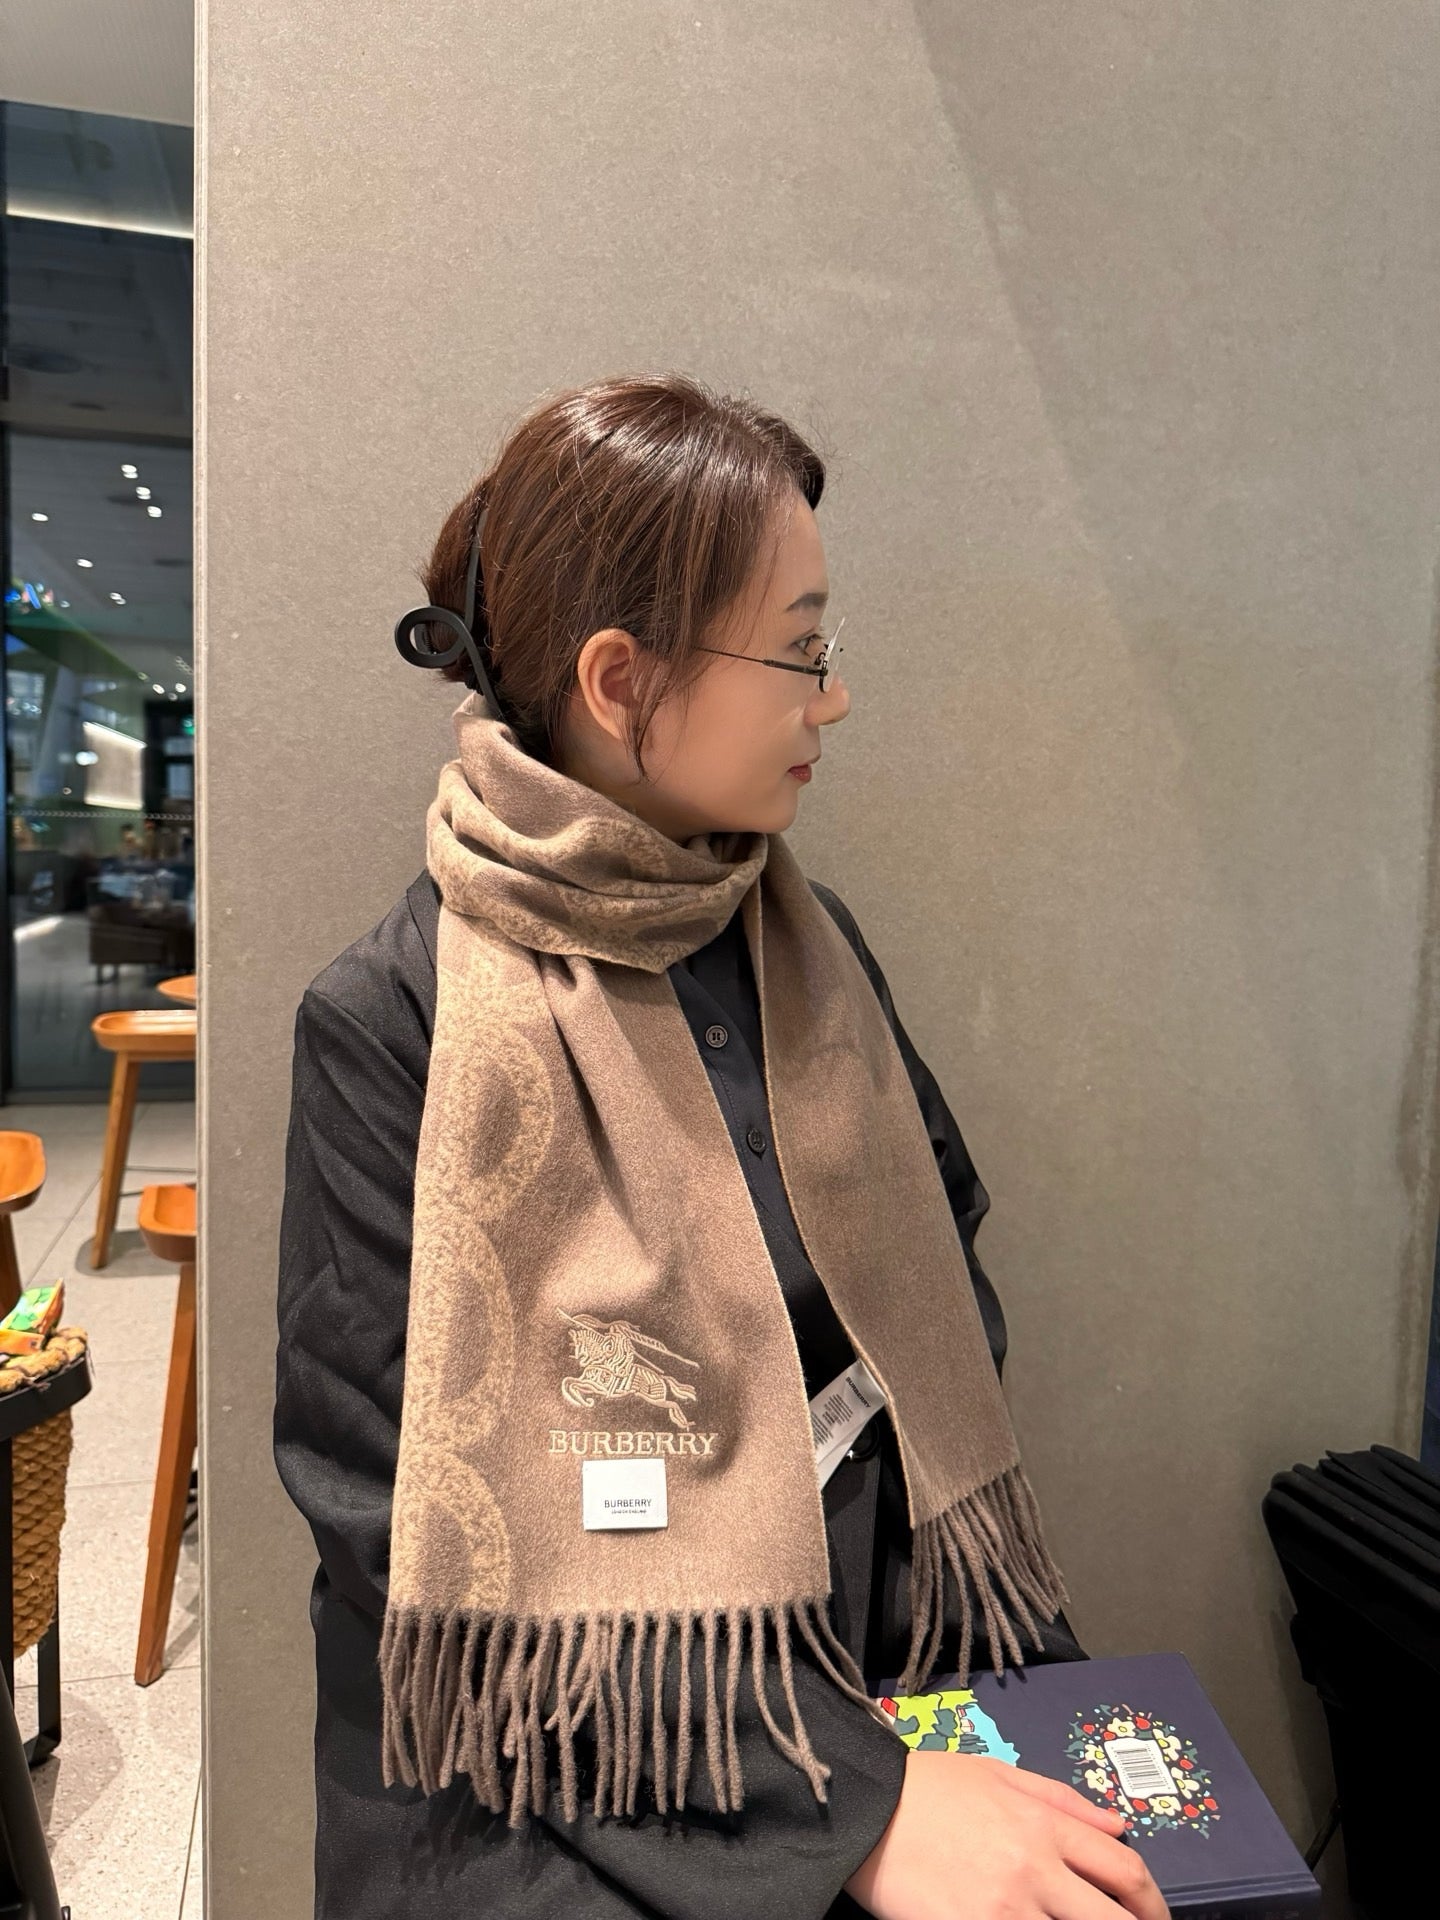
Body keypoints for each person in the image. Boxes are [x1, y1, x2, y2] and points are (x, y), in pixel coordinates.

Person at [274, 373, 1168, 1920]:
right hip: (539, 1740)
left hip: (869, 1653)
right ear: (622, 680)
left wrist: (914, 1725)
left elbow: (936, 1311)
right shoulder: (395, 1019)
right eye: (802, 650)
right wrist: (859, 1804)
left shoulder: (814, 958)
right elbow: (377, 1504)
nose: (834, 698)